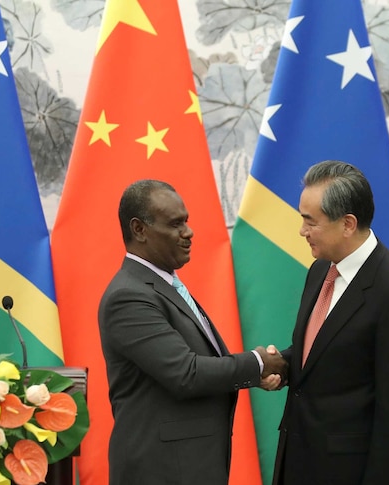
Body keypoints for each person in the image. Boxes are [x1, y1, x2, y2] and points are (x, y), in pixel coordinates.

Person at [98, 179, 287, 485]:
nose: (188, 232)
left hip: (189, 466)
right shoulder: (129, 296)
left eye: (186, 221)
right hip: (162, 471)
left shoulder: (162, 284)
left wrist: (255, 371)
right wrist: (258, 363)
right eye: (175, 224)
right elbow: (185, 373)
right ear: (139, 230)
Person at [271, 161, 389, 485]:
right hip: (296, 463)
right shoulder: (320, 270)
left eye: (309, 221)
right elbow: (326, 353)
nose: (302, 231)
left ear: (347, 223)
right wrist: (282, 364)